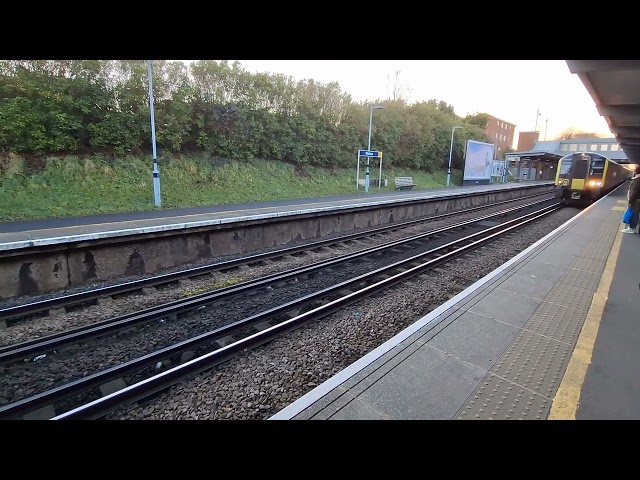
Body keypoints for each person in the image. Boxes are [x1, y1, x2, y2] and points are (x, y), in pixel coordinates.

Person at [621, 165, 640, 234]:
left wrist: (630, 202)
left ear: (636, 171)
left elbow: (634, 192)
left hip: (636, 200)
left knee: (634, 214)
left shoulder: (637, 180)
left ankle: (631, 228)